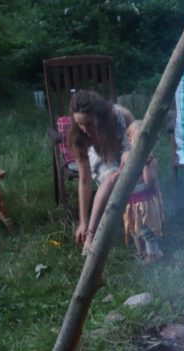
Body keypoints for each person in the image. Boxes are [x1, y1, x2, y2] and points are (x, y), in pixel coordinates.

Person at [67, 90, 134, 252]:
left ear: (100, 115)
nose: (84, 128)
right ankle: (91, 236)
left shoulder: (121, 116)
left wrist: (130, 155)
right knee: (112, 177)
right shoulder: (79, 136)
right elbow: (84, 180)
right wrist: (83, 221)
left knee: (147, 166)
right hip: (102, 159)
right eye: (79, 124)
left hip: (125, 153)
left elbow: (138, 141)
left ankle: (150, 220)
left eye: (89, 123)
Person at [120, 119, 165, 263]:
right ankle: (140, 252)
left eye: (145, 141)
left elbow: (148, 182)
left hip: (145, 201)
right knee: (134, 228)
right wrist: (117, 175)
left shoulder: (150, 161)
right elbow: (121, 173)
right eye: (138, 139)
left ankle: (154, 254)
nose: (142, 144)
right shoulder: (125, 156)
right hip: (131, 200)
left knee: (146, 229)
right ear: (129, 139)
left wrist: (145, 163)